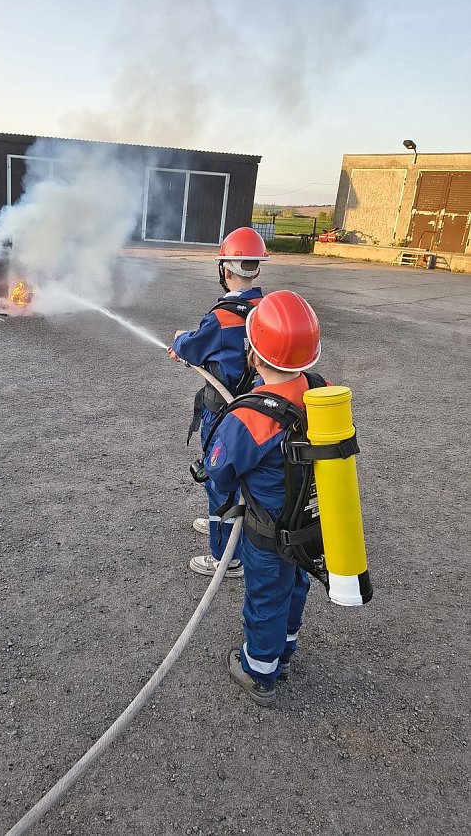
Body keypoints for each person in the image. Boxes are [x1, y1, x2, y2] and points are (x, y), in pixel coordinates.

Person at [202, 290, 323, 707]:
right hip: (309, 524)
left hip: (267, 532)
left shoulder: (250, 415)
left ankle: (260, 672)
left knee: (265, 598)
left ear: (253, 354)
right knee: (297, 584)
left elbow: (218, 469)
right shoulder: (323, 395)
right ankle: (285, 651)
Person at [167, 227, 269, 579]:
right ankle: (222, 526)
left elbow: (193, 347)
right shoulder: (263, 309)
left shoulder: (223, 314)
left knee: (218, 477)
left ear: (225, 269)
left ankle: (225, 557)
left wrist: (181, 341)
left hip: (221, 411)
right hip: (251, 409)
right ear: (256, 268)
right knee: (238, 474)